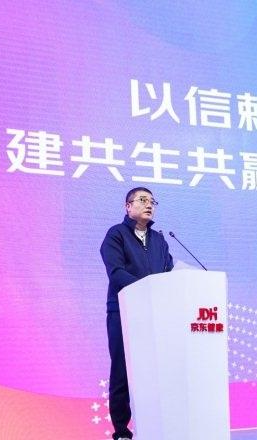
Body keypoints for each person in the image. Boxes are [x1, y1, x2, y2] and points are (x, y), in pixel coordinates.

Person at [100, 187, 174, 440]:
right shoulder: (116, 234)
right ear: (128, 206)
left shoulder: (160, 240)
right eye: (142, 200)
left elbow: (169, 272)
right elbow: (116, 272)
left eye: (152, 201)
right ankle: (122, 432)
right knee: (122, 371)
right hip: (124, 311)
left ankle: (155, 426)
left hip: (154, 312)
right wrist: (146, 289)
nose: (149, 204)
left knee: (155, 370)